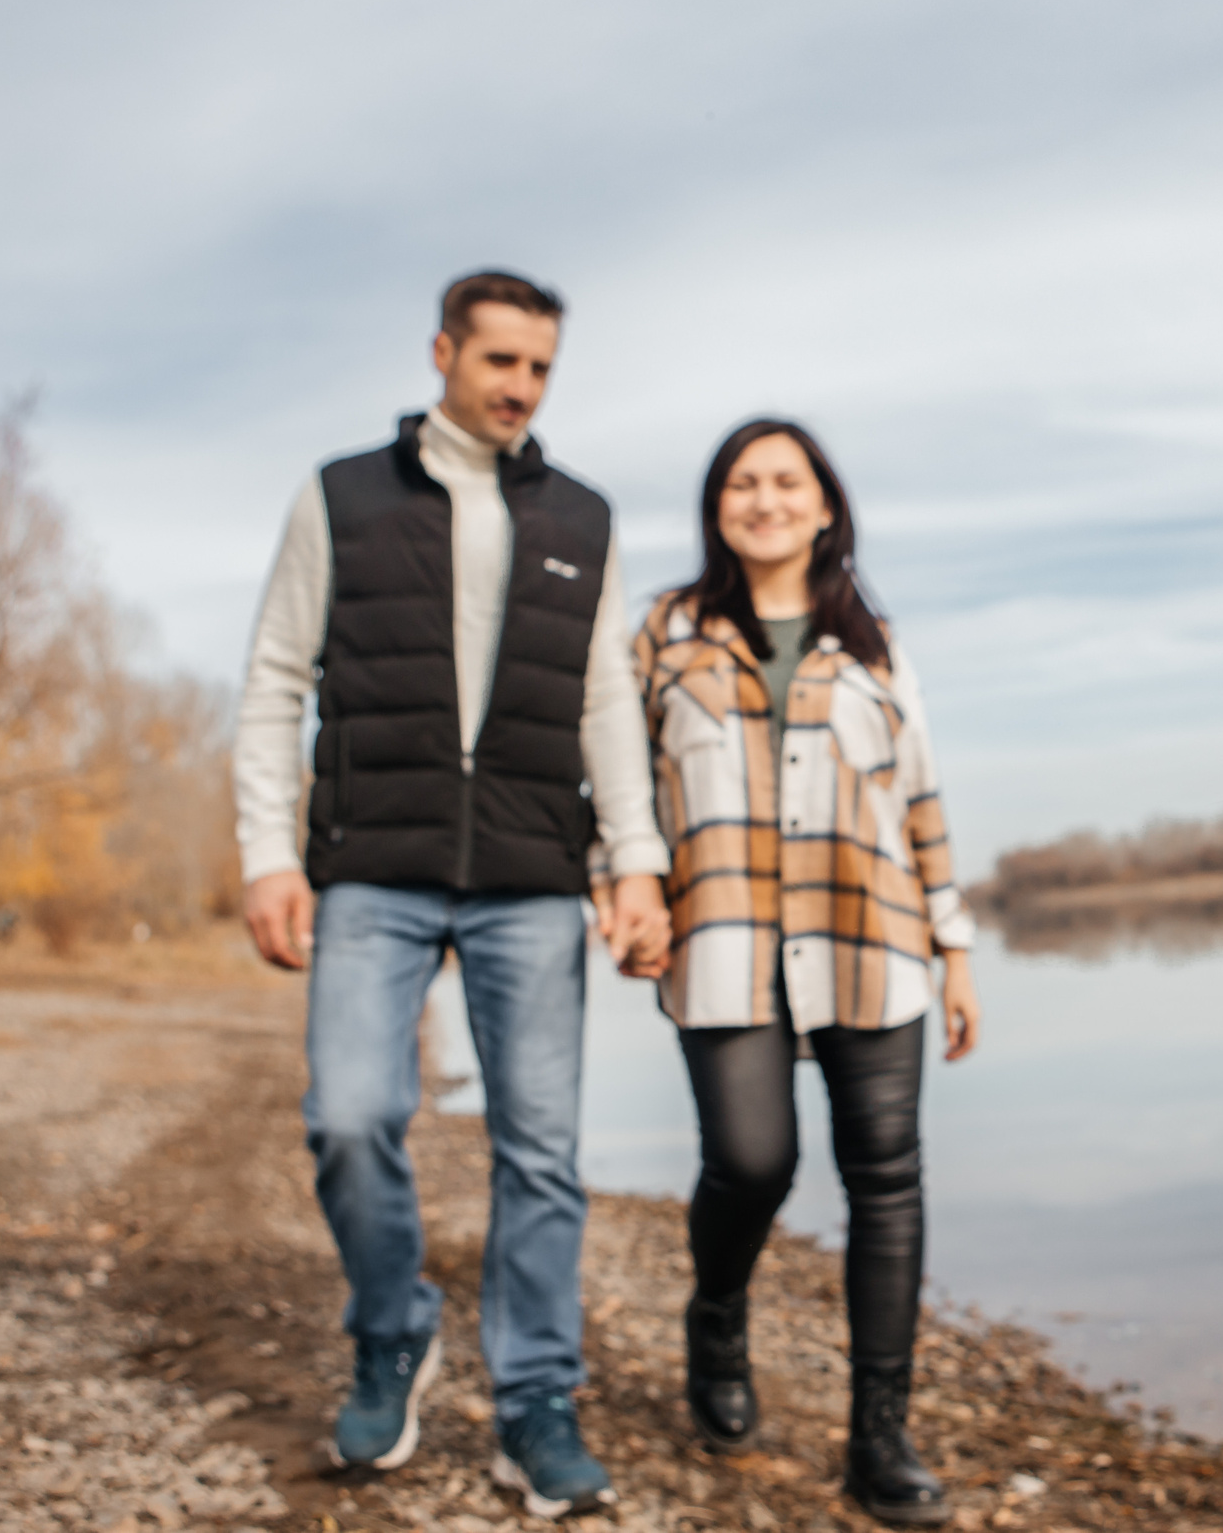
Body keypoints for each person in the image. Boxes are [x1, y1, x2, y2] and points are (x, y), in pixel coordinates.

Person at [233, 269, 674, 1519]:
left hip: (533, 872)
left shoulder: (581, 519)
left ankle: (535, 1398)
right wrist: (269, 851)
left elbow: (601, 703)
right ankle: (393, 1329)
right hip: (373, 861)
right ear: (443, 352)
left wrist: (631, 862)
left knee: (540, 1149)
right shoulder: (343, 498)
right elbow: (274, 678)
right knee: (351, 1115)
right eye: (500, 362)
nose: (520, 388)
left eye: (539, 369)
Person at [622, 419, 978, 1527]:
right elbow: (620, 788)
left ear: (824, 506)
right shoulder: (667, 633)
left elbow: (919, 798)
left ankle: (880, 1437)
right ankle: (716, 1311)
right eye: (742, 481)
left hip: (873, 940)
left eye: (786, 481)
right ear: (716, 505)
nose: (763, 498)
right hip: (720, 943)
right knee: (751, 1159)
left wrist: (955, 945)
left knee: (886, 1182)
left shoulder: (874, 643)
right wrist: (622, 886)